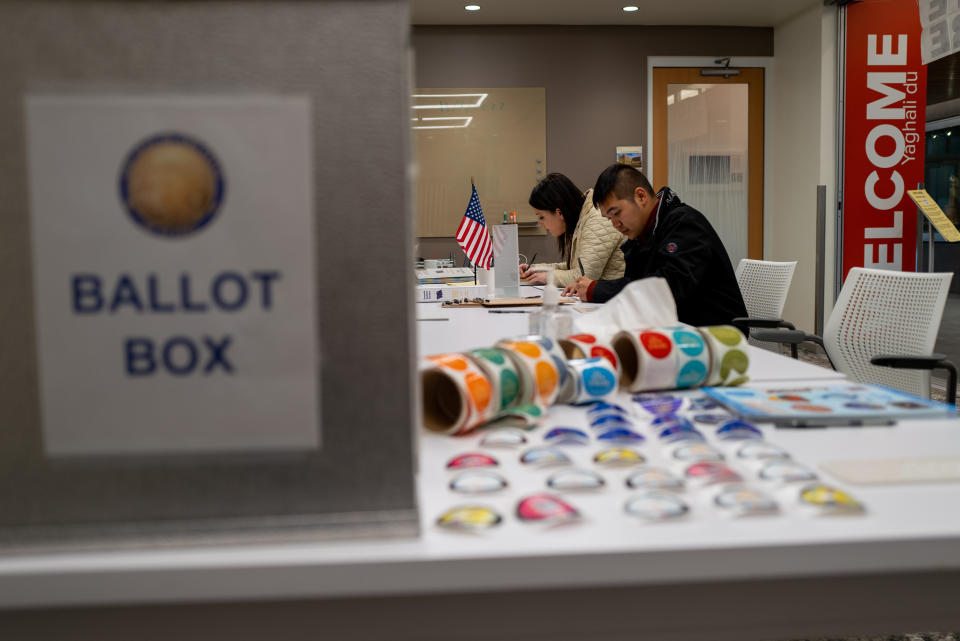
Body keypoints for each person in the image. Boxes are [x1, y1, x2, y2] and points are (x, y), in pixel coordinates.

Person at [562, 163, 747, 327]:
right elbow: (638, 286)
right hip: (673, 326)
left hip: (715, 334)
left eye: (616, 213)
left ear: (641, 196)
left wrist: (597, 289)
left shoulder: (684, 223)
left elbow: (667, 287)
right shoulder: (642, 235)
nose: (615, 224)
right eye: (609, 219)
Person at [518, 173, 625, 288]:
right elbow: (574, 267)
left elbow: (585, 276)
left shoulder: (597, 220)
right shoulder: (582, 218)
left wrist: (548, 277)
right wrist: (534, 269)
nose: (540, 223)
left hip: (613, 301)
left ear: (559, 212)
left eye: (541, 217)